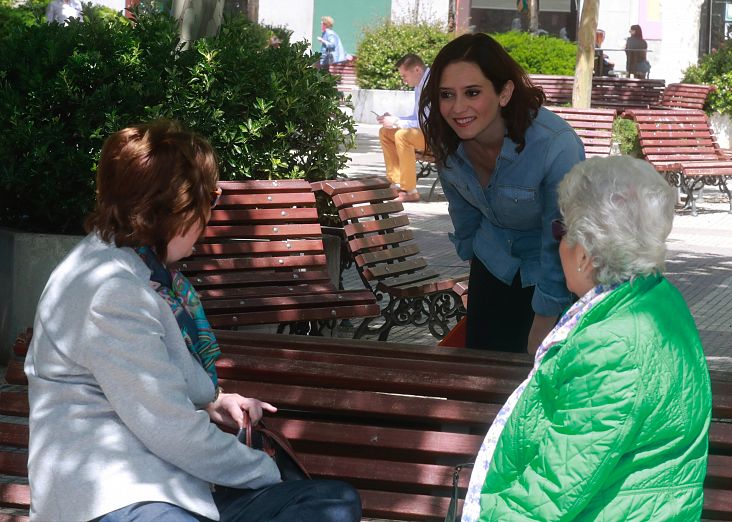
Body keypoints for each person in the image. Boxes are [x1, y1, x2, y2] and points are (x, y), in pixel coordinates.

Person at [24, 121, 362, 522]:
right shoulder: (113, 290)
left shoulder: (119, 264)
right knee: (316, 504)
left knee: (334, 502)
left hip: (159, 491)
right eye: (209, 198)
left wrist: (213, 401)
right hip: (116, 500)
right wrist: (269, 473)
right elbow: (170, 429)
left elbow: (150, 382)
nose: (209, 214)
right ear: (172, 209)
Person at [460, 156, 712, 521]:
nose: (557, 243)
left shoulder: (615, 346)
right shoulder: (657, 299)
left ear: (584, 254)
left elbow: (553, 490)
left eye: (560, 230)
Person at [419, 33, 585, 353]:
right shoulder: (447, 141)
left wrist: (543, 321)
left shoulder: (555, 146)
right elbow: (463, 215)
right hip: (492, 264)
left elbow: (563, 239)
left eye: (472, 93)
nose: (458, 108)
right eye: (446, 95)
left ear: (504, 92)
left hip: (552, 276)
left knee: (536, 388)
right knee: (480, 380)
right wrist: (472, 261)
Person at [377, 53, 430, 203]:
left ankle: (409, 190)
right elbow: (417, 117)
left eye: (404, 76)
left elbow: (426, 122)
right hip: (425, 133)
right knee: (385, 132)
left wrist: (396, 122)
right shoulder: (420, 84)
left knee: (402, 135)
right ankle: (394, 183)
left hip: (438, 137)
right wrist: (394, 119)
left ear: (417, 70)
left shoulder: (433, 84)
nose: (403, 80)